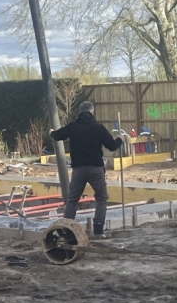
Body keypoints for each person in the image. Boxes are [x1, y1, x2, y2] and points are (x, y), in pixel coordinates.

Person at [49, 101, 124, 238]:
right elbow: (112, 146)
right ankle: (98, 229)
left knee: (72, 199)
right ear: (92, 111)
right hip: (96, 168)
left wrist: (51, 132)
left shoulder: (73, 127)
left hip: (79, 169)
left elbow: (57, 136)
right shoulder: (98, 128)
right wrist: (120, 139)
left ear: (79, 112)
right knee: (101, 199)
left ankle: (67, 230)